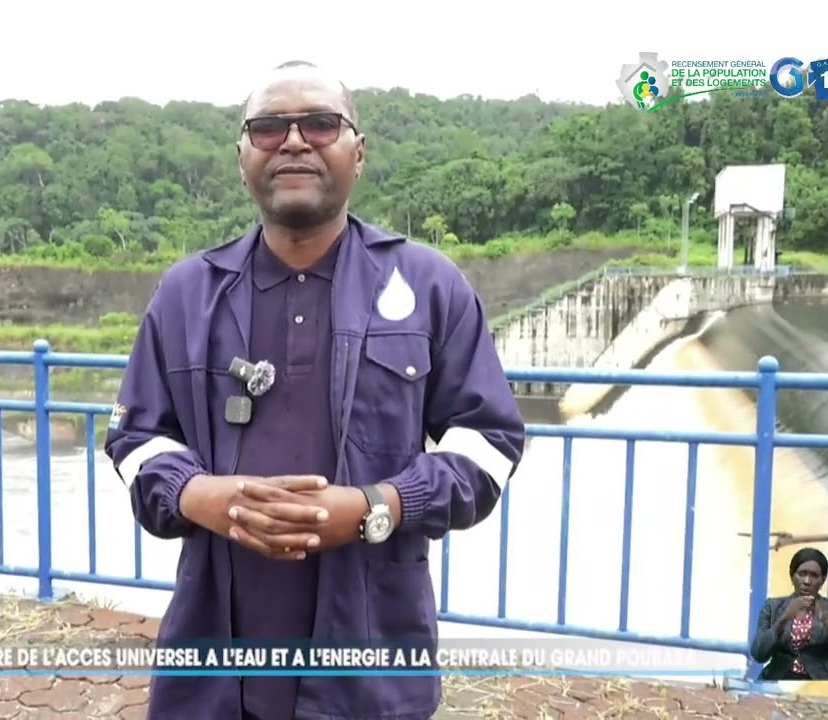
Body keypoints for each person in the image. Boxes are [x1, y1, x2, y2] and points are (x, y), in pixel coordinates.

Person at [104, 60, 527, 720]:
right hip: (214, 674)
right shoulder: (187, 294)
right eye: (270, 127)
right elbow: (136, 438)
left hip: (370, 672)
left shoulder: (428, 286)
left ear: (357, 152)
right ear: (242, 155)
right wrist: (203, 495)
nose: (295, 141)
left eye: (321, 124)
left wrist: (373, 508)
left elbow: (489, 446)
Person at [750, 547, 828, 681]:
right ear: (792, 576)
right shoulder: (773, 606)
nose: (807, 581)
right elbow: (758, 654)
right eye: (802, 574)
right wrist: (783, 619)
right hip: (779, 678)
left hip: (821, 680)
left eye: (814, 576)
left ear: (823, 580)